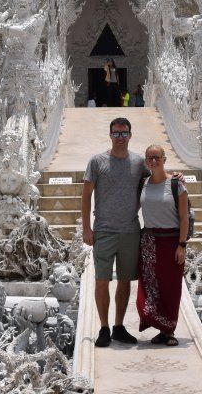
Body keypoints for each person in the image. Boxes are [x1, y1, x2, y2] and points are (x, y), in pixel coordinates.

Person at [81, 116, 147, 347]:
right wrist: (86, 228)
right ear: (110, 135)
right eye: (116, 133)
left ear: (130, 135)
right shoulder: (97, 161)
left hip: (130, 230)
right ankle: (104, 327)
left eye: (124, 133)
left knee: (125, 280)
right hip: (104, 230)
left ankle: (118, 326)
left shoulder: (139, 162)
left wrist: (174, 177)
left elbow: (156, 178)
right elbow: (86, 194)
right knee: (102, 280)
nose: (120, 137)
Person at [137, 144, 189, 346]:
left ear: (164, 159)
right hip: (149, 241)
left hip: (172, 241)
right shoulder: (143, 183)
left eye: (157, 157)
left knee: (171, 287)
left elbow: (184, 218)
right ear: (146, 161)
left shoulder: (176, 184)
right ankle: (160, 327)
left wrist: (182, 245)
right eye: (150, 158)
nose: (153, 161)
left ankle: (169, 330)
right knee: (150, 286)